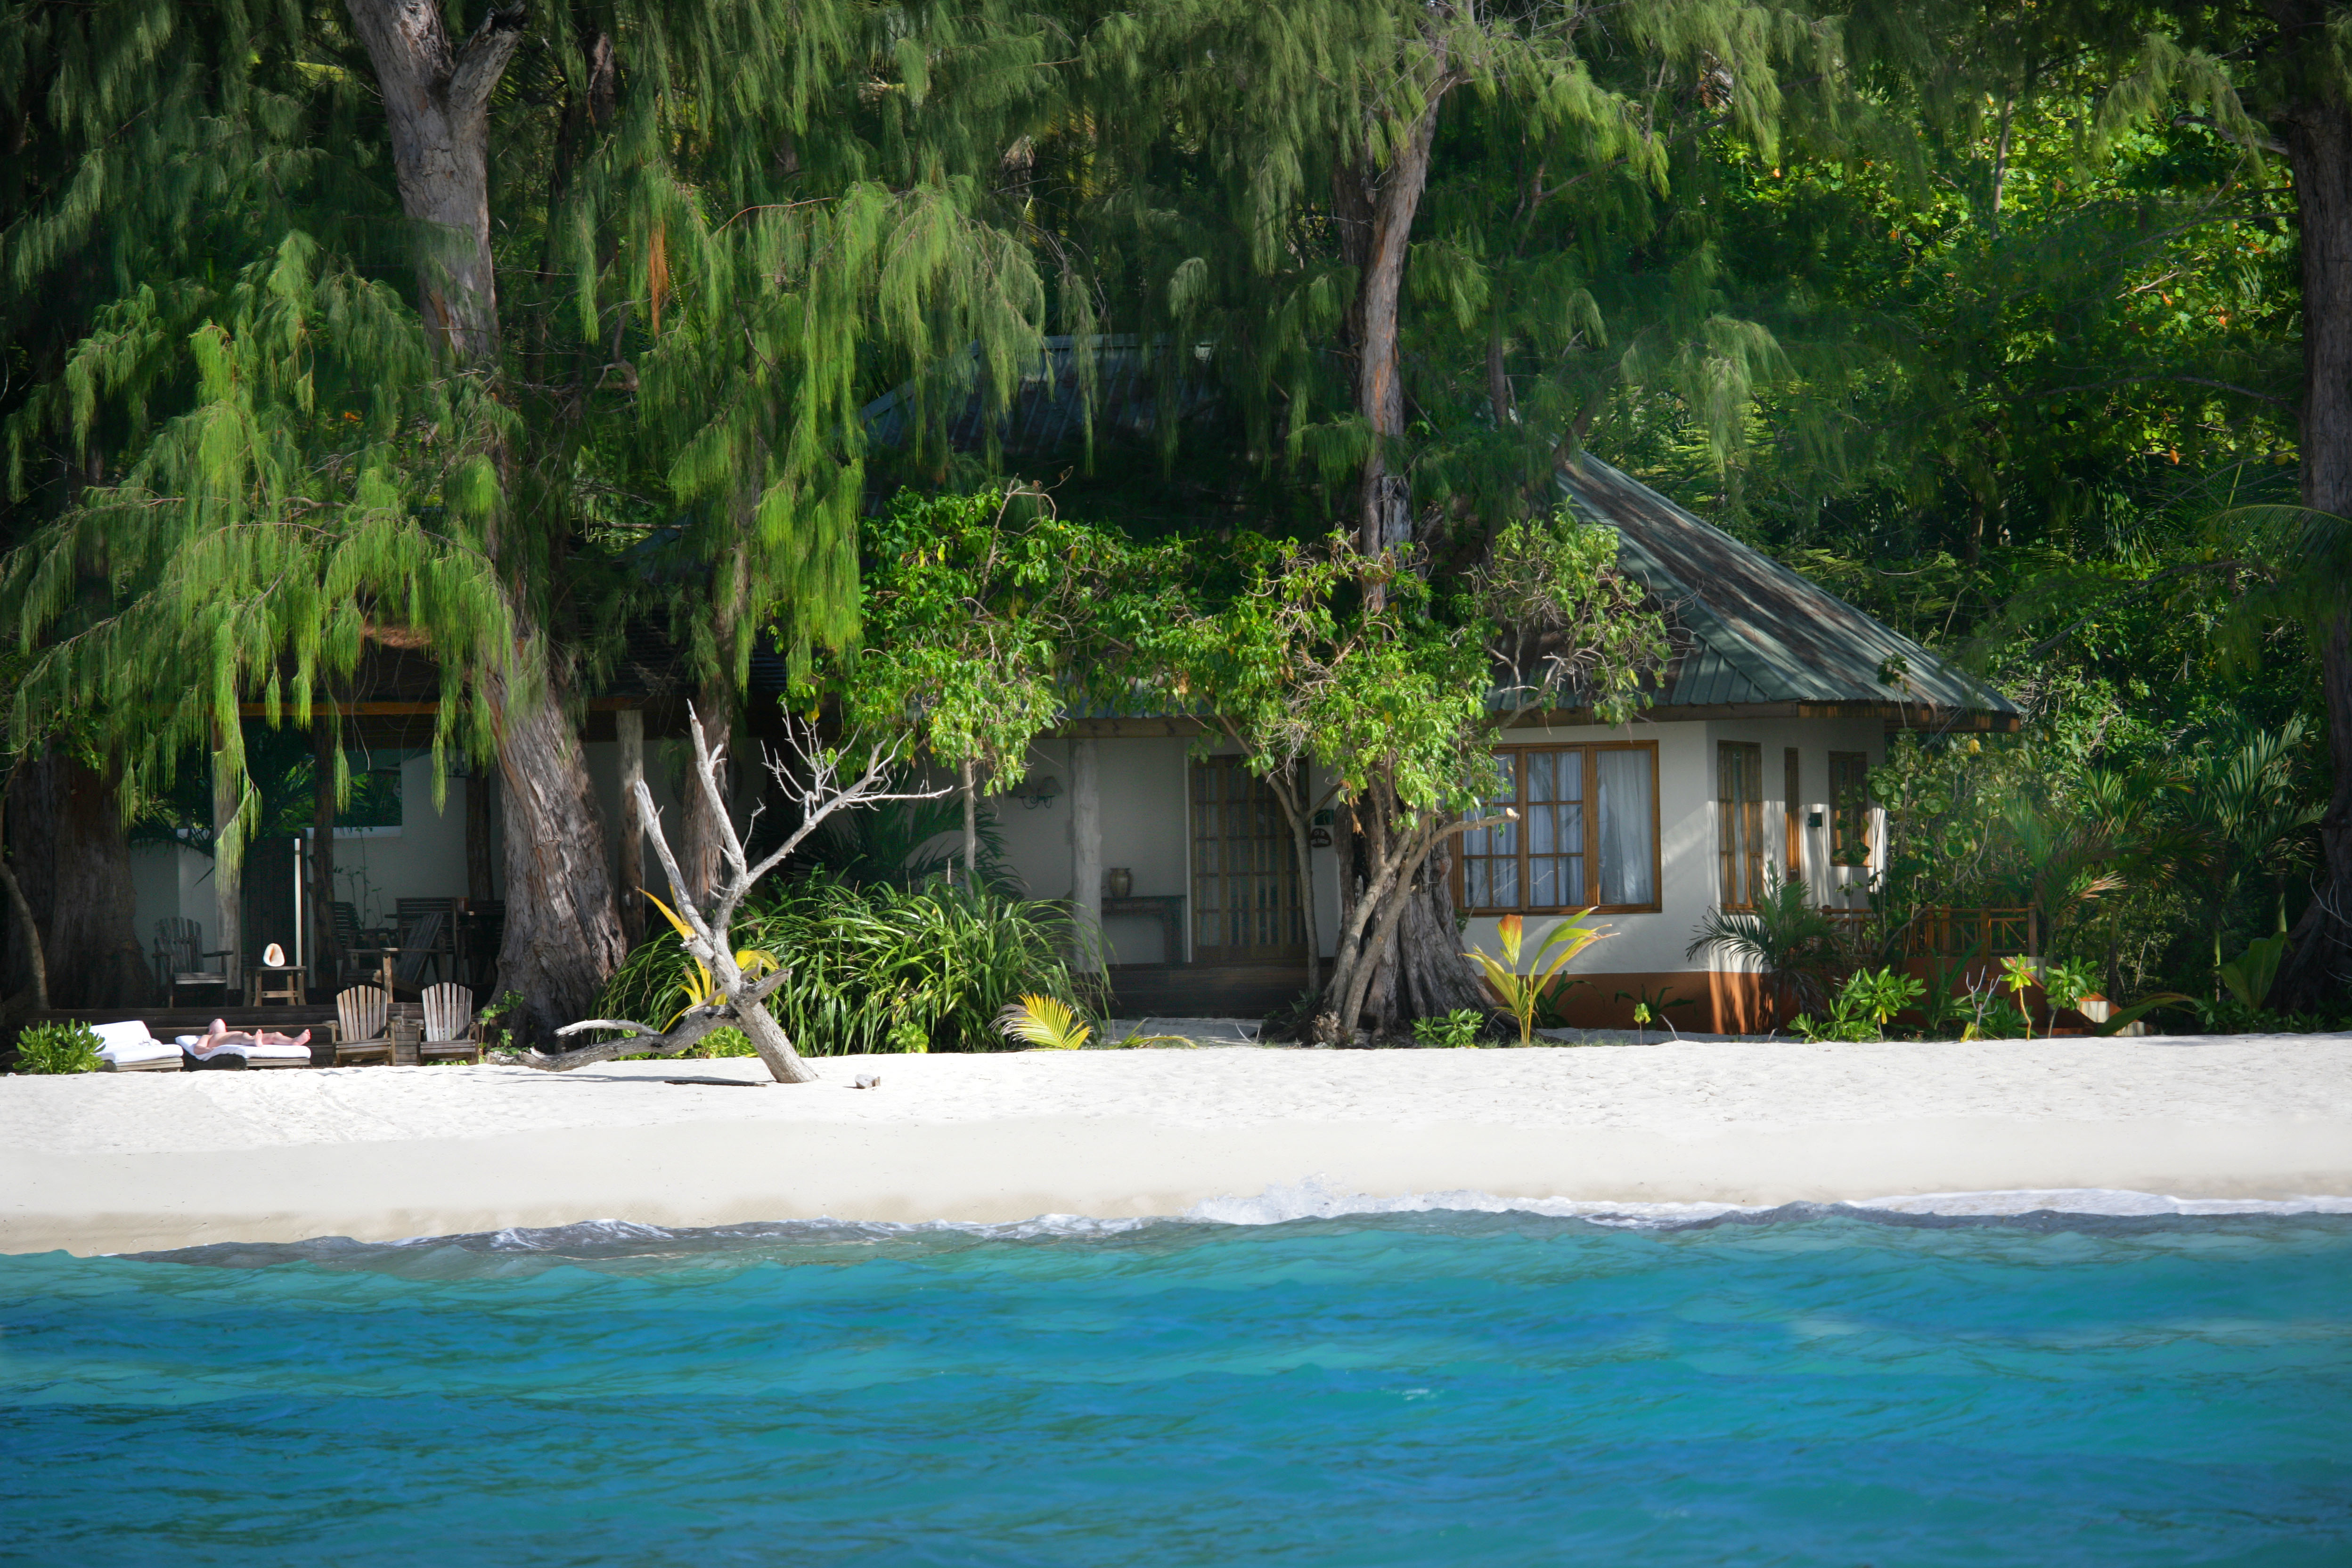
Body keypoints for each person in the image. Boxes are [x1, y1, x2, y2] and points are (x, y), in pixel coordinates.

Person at [191, 1019, 312, 1057]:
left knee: (274, 1035)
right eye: (214, 1021)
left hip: (245, 1037)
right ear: (211, 1029)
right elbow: (198, 1048)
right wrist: (209, 1051)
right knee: (244, 1038)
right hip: (237, 1039)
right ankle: (254, 1042)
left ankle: (293, 1041)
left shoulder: (229, 1032)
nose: (217, 1020)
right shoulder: (208, 1036)